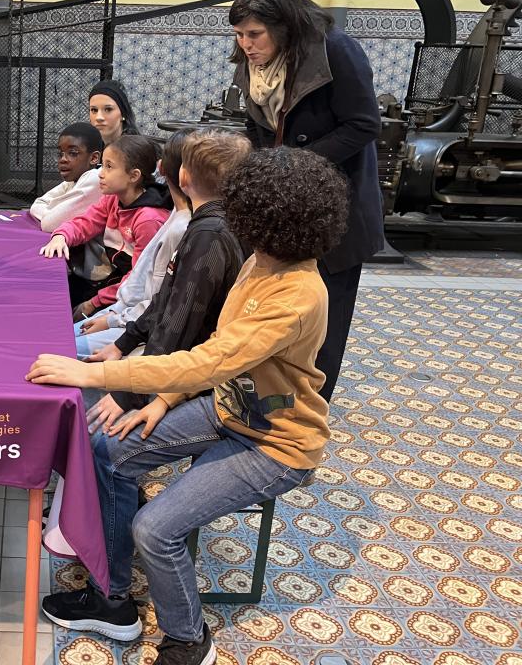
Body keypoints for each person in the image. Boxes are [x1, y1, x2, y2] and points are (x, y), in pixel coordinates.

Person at [27, 146, 349, 665]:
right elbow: (220, 352)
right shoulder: (261, 263)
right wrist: (164, 402)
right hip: (226, 409)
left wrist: (94, 372)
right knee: (104, 448)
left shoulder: (297, 294)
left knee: (156, 528)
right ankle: (111, 599)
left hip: (276, 441)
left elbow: (213, 359)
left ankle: (187, 640)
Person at [229, 0, 383, 403]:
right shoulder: (255, 61)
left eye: (254, 34)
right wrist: (260, 169)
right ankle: (263, 392)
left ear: (284, 25)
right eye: (239, 35)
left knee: (324, 315)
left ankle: (309, 405)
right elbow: (255, 123)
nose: (246, 44)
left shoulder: (336, 50)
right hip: (282, 201)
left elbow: (364, 125)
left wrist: (296, 165)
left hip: (333, 207)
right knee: (272, 302)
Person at [84, 129, 250, 432]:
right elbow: (165, 299)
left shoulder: (208, 236)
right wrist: (124, 342)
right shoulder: (204, 225)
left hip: (194, 378)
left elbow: (179, 323)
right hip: (169, 362)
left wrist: (129, 393)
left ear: (183, 176)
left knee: (102, 446)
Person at [39, 135, 170, 318]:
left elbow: (138, 281)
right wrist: (61, 235)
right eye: (102, 165)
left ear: (134, 175)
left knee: (73, 324)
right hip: (113, 283)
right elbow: (85, 222)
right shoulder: (113, 199)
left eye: (109, 166)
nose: (100, 173)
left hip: (133, 301)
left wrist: (93, 304)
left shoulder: (148, 220)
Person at [30, 122, 104, 232]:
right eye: (60, 153)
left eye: (73, 153)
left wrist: (52, 212)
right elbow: (37, 204)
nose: (63, 159)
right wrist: (53, 212)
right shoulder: (75, 178)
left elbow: (49, 224)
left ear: (94, 158)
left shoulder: (96, 179)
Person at [89, 79, 141, 146]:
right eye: (94, 110)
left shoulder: (136, 151)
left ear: (123, 113)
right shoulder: (87, 148)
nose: (99, 117)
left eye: (108, 109)